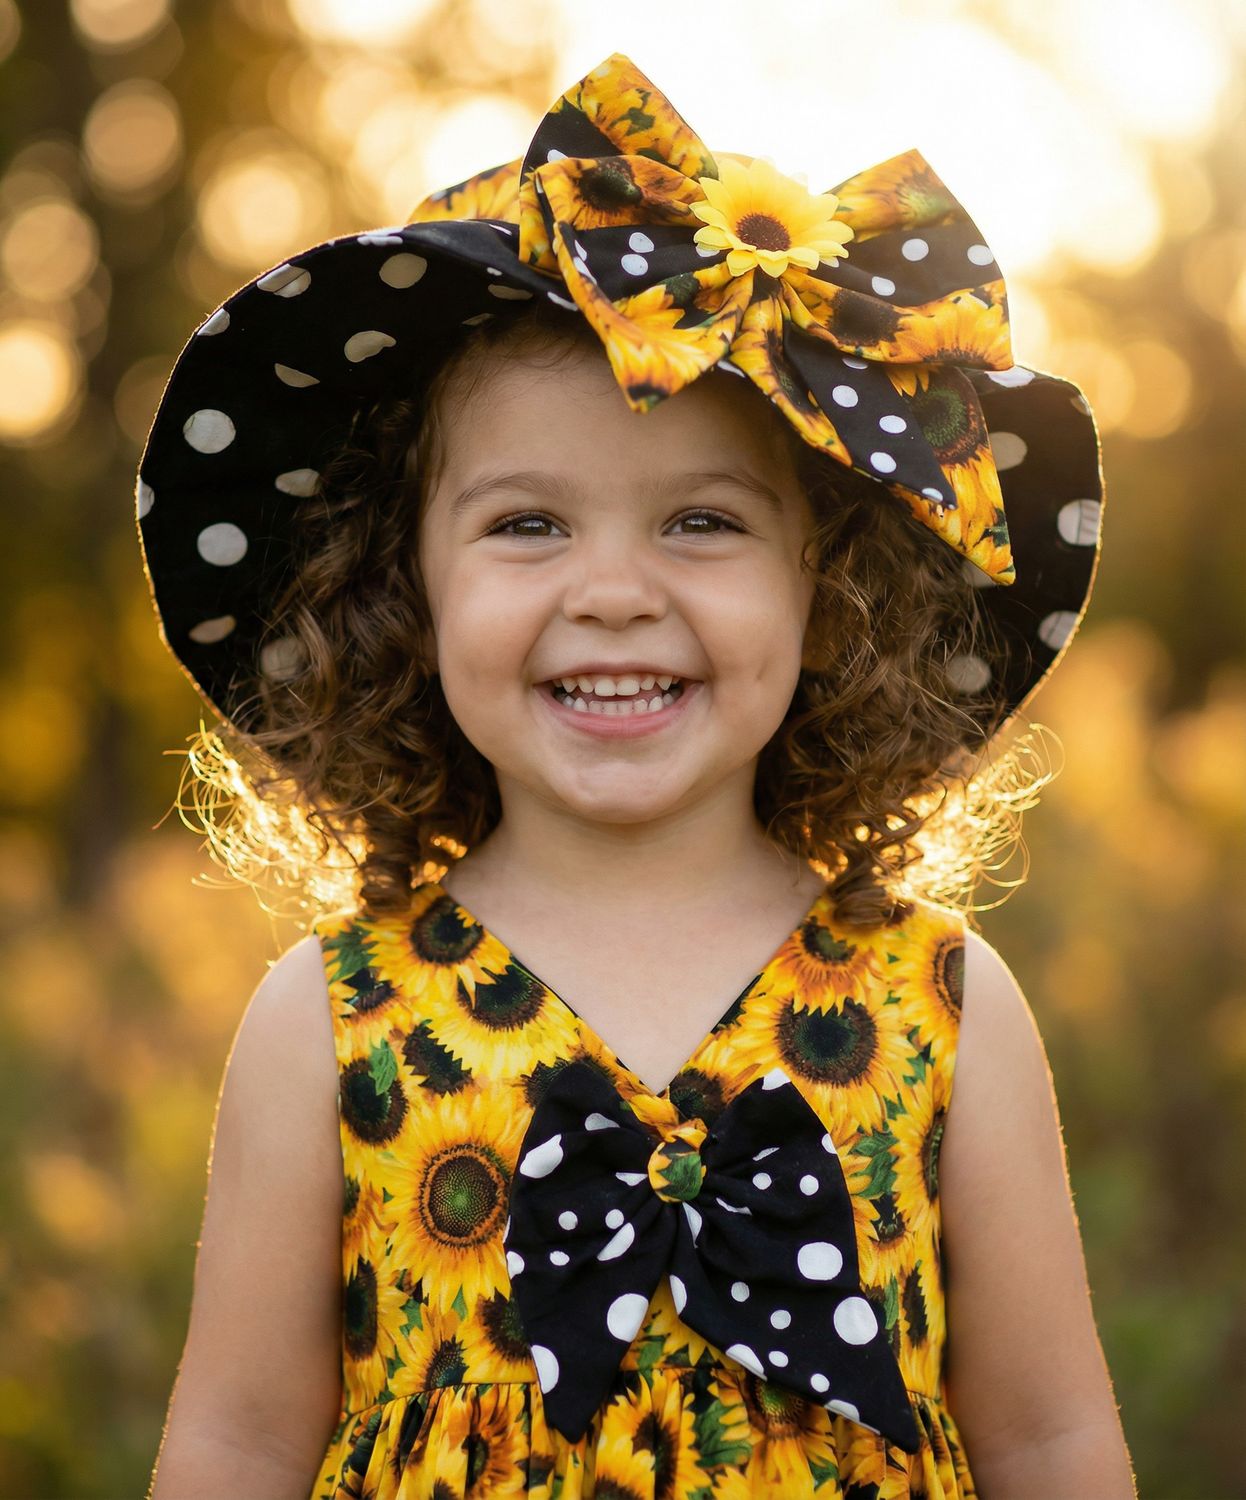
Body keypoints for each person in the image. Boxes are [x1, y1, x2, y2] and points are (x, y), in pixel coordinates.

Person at [140, 53, 1136, 1500]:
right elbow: (234, 1440)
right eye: (528, 523)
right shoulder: (331, 1020)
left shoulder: (941, 1006)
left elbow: (1047, 1435)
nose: (611, 591)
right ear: (401, 585)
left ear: (831, 585)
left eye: (701, 523)